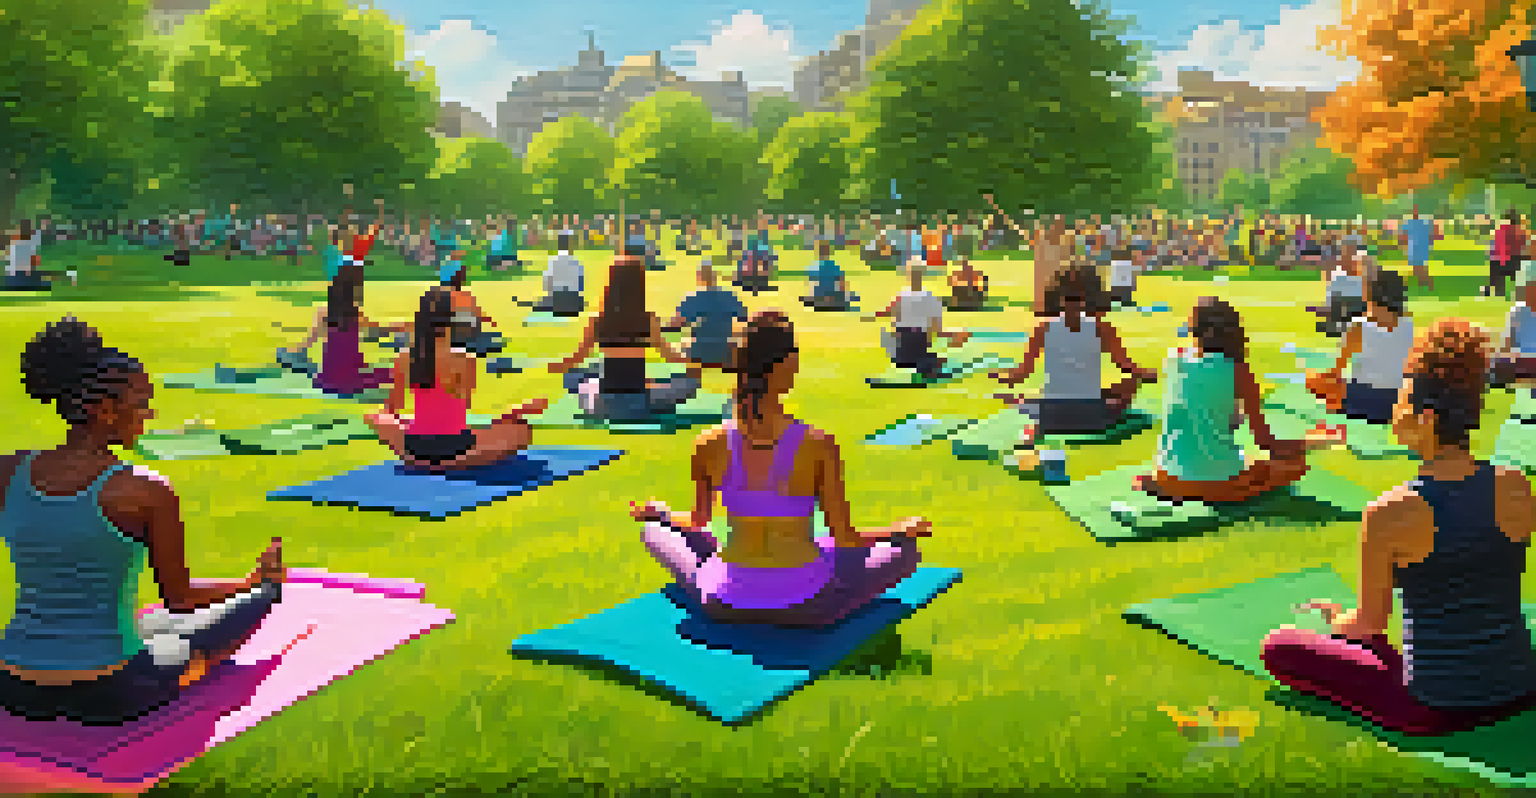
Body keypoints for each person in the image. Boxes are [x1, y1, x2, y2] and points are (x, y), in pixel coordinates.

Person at [1, 317, 284, 724]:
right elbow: (181, 599)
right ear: (104, 410)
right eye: (141, 403)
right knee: (243, 609)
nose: (148, 414)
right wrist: (251, 583)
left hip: (12, 685)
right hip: (108, 690)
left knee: (152, 622)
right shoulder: (145, 490)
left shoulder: (8, 471)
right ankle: (266, 589)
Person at [1262, 319, 1536, 736]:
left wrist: (1339, 622)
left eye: (1401, 400)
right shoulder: (1517, 487)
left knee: (1280, 646)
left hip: (1434, 705)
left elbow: (1370, 624)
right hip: (1519, 685)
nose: (1394, 409)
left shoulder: (1389, 512)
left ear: (1424, 419)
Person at [629, 311, 932, 627]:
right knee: (904, 552)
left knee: (654, 531)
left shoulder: (708, 443)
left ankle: (696, 549)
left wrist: (661, 514)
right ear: (789, 365)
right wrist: (898, 530)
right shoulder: (819, 444)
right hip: (809, 605)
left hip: (724, 601)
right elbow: (845, 538)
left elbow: (698, 521)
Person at [1136, 297, 1338, 504]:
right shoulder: (1238, 371)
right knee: (1295, 463)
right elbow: (1268, 444)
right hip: (1217, 483)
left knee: (1244, 459)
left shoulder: (1173, 359)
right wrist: (1312, 441)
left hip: (1167, 476)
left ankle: (1171, 484)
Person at [365, 287, 547, 473]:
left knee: (377, 416)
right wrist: (515, 412)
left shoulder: (404, 358)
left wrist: (410, 423)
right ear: (450, 321)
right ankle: (452, 462)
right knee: (521, 430)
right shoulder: (465, 359)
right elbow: (462, 409)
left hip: (415, 444)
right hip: (455, 446)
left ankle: (416, 458)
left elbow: (392, 409)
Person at [990, 267, 1157, 445]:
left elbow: (1021, 375)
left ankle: (1033, 427)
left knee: (1047, 398)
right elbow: (1127, 368)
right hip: (1092, 418)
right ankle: (1034, 410)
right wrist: (1149, 375)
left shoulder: (1043, 328)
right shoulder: (1103, 329)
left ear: (1059, 298)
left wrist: (1002, 377)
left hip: (1052, 414)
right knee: (1128, 384)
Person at [548, 253, 700, 421]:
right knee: (689, 383)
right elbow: (669, 355)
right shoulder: (648, 319)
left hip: (603, 405)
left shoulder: (598, 320)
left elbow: (578, 358)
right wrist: (693, 364)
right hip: (641, 403)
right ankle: (646, 387)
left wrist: (557, 366)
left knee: (575, 377)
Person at [283, 242, 405, 397]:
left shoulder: (328, 310)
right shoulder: (354, 313)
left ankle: (299, 354)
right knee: (393, 373)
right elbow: (381, 329)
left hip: (327, 377)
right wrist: (406, 325)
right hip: (347, 379)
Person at [1306, 269, 1414, 424]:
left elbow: (1337, 372)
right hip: (1397, 402)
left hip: (1362, 400)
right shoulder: (1408, 325)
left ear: (1370, 294)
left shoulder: (1358, 326)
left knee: (1315, 382)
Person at [872, 258, 970, 379]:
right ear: (923, 274)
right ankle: (928, 362)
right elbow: (937, 331)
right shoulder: (931, 299)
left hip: (899, 354)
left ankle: (923, 361)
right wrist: (954, 334)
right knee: (937, 358)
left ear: (908, 275)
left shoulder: (901, 297)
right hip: (918, 349)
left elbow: (893, 322)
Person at [670, 257, 748, 381]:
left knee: (682, 342)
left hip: (698, 352)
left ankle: (690, 380)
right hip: (725, 352)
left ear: (699, 277)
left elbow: (675, 325)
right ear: (715, 276)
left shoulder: (692, 298)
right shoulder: (730, 296)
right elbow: (744, 322)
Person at [1490, 261, 1536, 388]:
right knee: (1494, 361)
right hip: (1520, 363)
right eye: (1525, 287)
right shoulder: (1517, 311)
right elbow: (1506, 347)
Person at [1312, 247, 1369, 338]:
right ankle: (1336, 325)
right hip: (1345, 310)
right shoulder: (1338, 275)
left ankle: (1337, 325)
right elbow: (1332, 298)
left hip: (1356, 309)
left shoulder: (1365, 278)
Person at [536, 232, 585, 316]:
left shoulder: (552, 262)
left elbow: (547, 284)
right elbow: (580, 286)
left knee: (545, 300)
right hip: (573, 301)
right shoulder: (576, 263)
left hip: (557, 300)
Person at [802, 241, 856, 309]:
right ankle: (829, 301)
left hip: (821, 298)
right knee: (849, 296)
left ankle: (822, 301)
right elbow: (842, 283)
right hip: (829, 298)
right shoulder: (833, 267)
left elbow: (812, 286)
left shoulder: (814, 267)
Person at [1399, 205, 1441, 292]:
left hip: (1419, 247)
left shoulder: (1421, 223)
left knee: (1420, 267)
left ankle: (1428, 283)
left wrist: (1430, 241)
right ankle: (1423, 283)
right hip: (1414, 247)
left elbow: (1430, 233)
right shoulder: (1410, 223)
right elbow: (1404, 235)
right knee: (1416, 267)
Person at [1488, 209, 1527, 299]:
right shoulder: (1520, 230)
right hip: (1517, 260)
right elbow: (1523, 246)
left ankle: (1499, 292)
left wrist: (1502, 260)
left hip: (1505, 260)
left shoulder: (1503, 229)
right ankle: (1517, 293)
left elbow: (1501, 246)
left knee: (1495, 266)